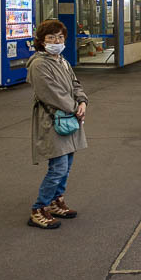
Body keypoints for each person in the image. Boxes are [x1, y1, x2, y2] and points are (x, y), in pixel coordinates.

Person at [26, 19, 88, 229]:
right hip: (52, 120)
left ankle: (55, 201)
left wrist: (82, 101)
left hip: (68, 119)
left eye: (60, 37)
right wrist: (74, 107)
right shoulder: (39, 64)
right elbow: (51, 94)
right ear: (41, 41)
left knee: (66, 165)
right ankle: (38, 209)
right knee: (58, 167)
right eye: (51, 37)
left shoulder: (62, 61)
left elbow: (74, 83)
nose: (56, 41)